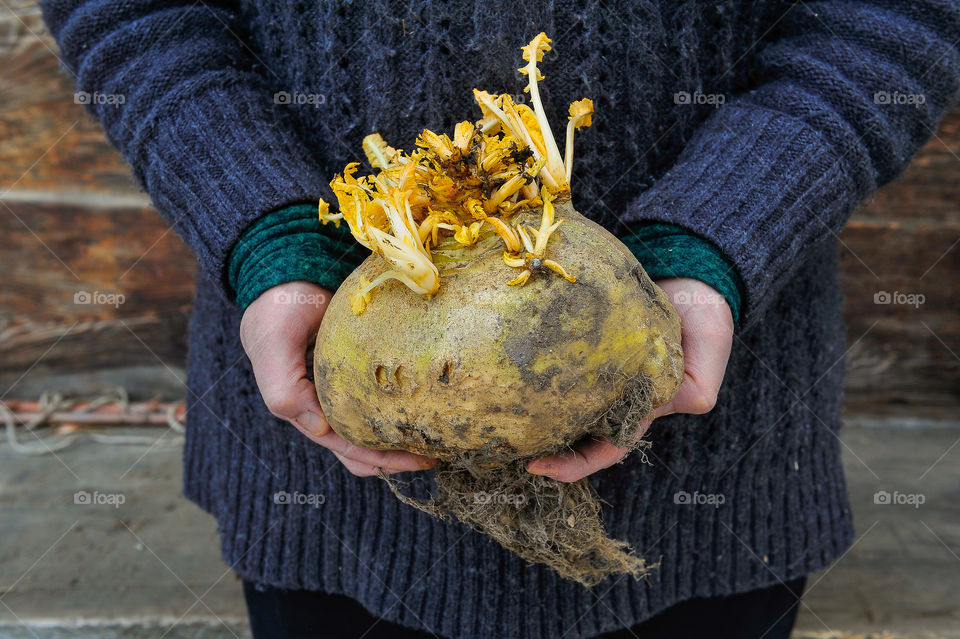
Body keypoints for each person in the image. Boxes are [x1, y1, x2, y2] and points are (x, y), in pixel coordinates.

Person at [41, 1, 959, 638]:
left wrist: (710, 246)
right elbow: (137, 13)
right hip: (320, 498)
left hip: (721, 476)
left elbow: (892, 20)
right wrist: (274, 240)